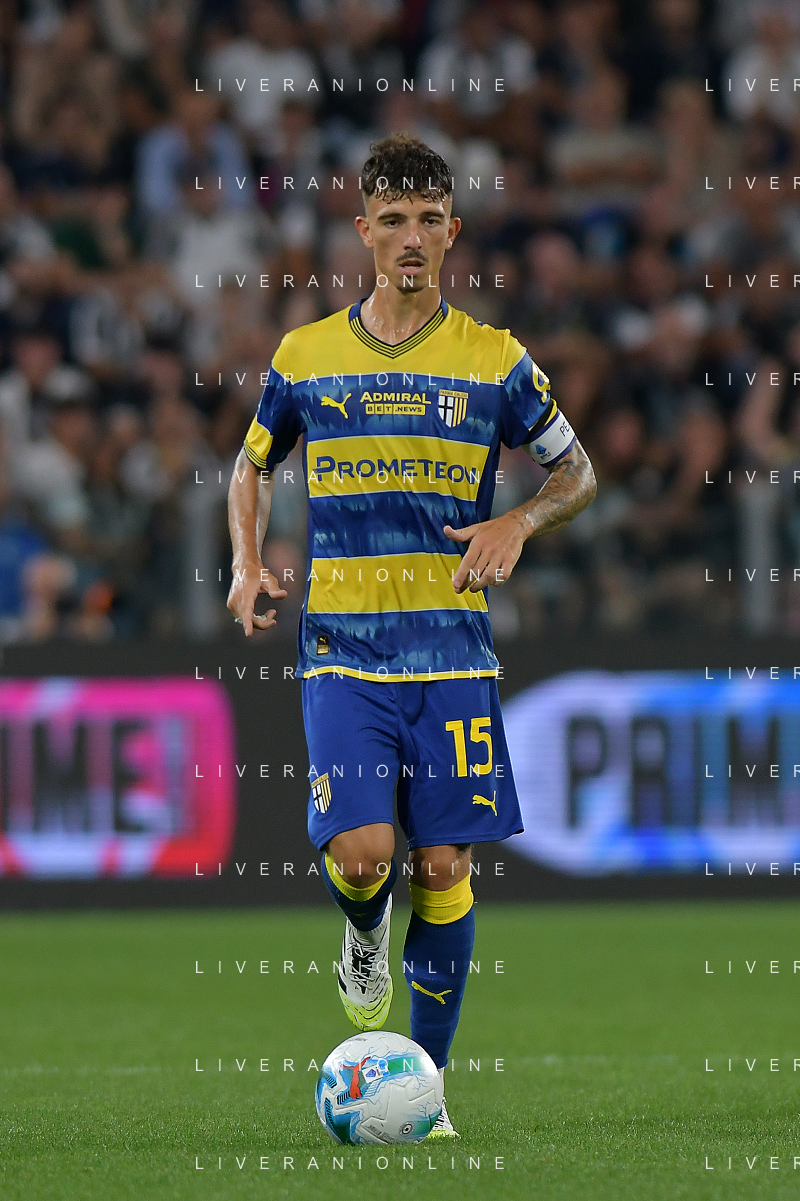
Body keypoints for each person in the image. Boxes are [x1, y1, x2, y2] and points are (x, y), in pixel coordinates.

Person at [226, 133, 596, 1136]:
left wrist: (519, 521)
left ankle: (425, 1089)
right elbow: (251, 465)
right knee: (363, 855)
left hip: (455, 656)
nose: (411, 238)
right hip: (344, 650)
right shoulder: (306, 356)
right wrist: (246, 561)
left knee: (442, 868)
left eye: (429, 220)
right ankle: (361, 937)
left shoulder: (495, 359)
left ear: (452, 232)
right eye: (392, 219)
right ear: (362, 231)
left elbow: (577, 472)